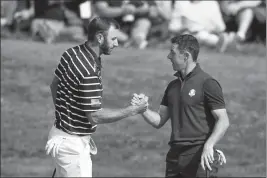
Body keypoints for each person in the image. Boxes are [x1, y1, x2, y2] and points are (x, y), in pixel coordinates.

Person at [45, 17, 148, 177]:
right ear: (100, 38)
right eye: (113, 38)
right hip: (72, 146)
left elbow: (55, 85)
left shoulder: (71, 53)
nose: (116, 43)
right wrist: (133, 110)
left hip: (59, 134)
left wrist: (66, 117)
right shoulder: (89, 71)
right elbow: (95, 116)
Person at [132, 34, 229, 178]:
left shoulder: (207, 83)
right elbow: (159, 120)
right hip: (175, 157)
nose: (168, 56)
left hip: (199, 156)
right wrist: (143, 109)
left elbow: (223, 120)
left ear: (186, 56)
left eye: (172, 52)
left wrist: (209, 145)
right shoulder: (172, 86)